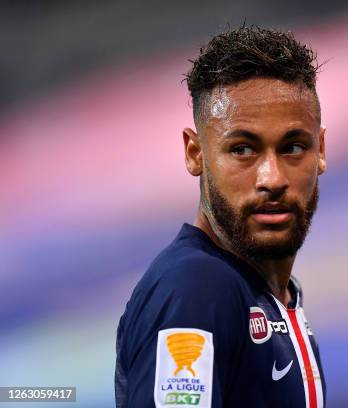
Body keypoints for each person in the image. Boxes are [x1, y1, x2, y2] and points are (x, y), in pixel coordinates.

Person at [114, 25, 327, 408]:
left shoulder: (264, 293)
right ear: (196, 154)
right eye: (243, 149)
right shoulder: (196, 289)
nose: (272, 179)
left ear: (321, 150)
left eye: (293, 147)